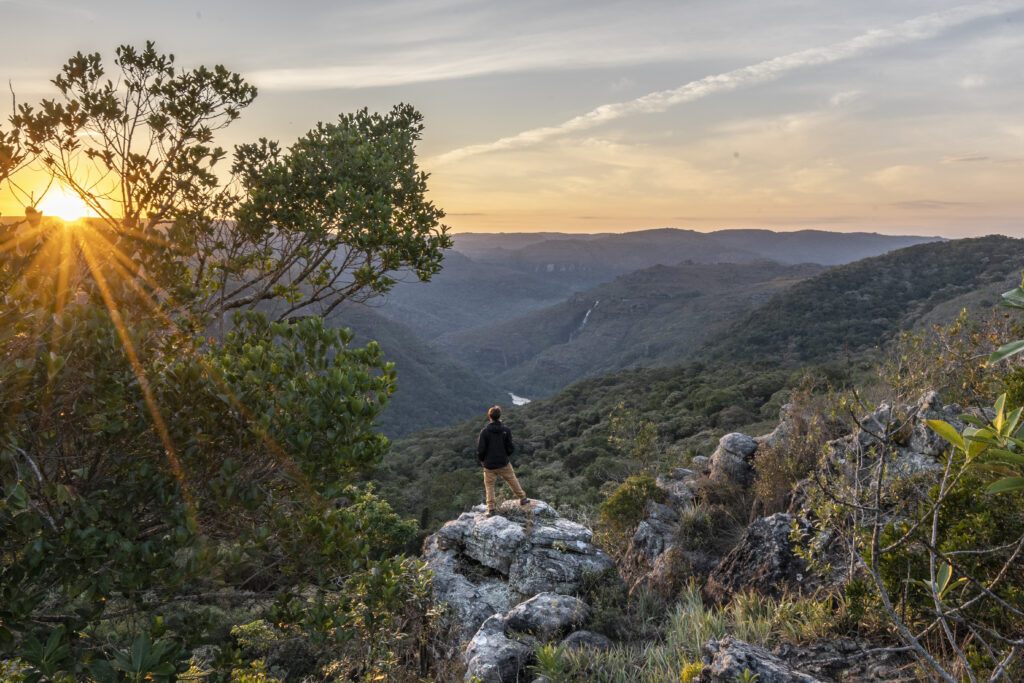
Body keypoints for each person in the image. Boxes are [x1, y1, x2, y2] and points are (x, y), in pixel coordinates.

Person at [477, 405, 529, 516]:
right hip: (503, 462)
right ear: (499, 416)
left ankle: (491, 509)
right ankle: (523, 498)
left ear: (490, 417)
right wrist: (505, 456)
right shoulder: (506, 430)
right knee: (512, 480)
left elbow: (481, 450)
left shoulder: (484, 432)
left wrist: (482, 460)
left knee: (490, 486)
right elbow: (510, 447)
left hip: (489, 465)